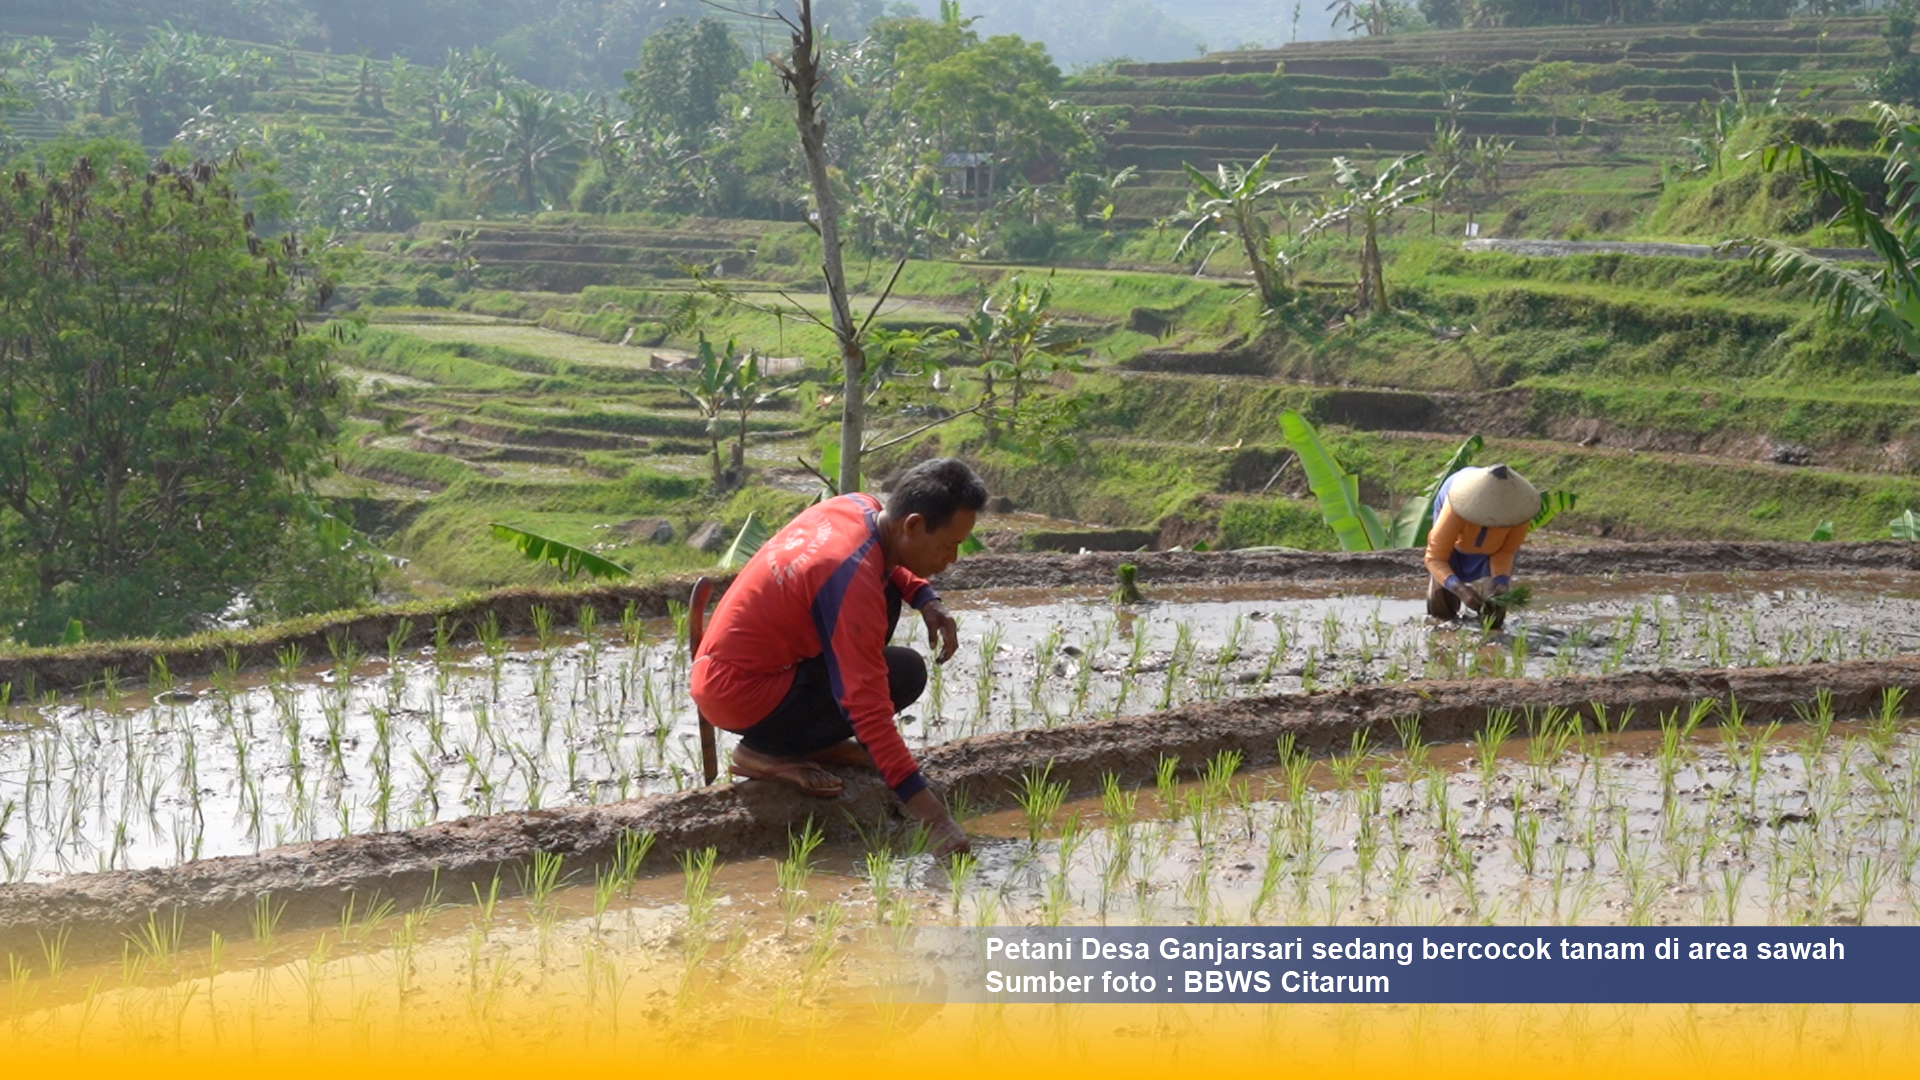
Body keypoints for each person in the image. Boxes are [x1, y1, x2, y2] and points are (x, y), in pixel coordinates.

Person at [690, 457, 987, 856]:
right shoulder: (849, 579)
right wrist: (934, 818)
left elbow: (889, 555)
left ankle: (814, 744)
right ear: (913, 524)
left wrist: (924, 596)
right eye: (948, 545)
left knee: (905, 671)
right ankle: (762, 751)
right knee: (886, 681)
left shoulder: (857, 507)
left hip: (746, 670)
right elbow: (867, 709)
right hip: (739, 691)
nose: (952, 559)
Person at [1423, 463, 1538, 629]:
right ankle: (1444, 633)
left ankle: (1490, 641)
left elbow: (1505, 551)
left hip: (1492, 547)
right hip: (1456, 541)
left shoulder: (1519, 514)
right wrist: (1459, 589)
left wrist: (1501, 581)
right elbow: (1435, 558)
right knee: (1441, 603)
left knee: (1495, 602)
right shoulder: (1456, 506)